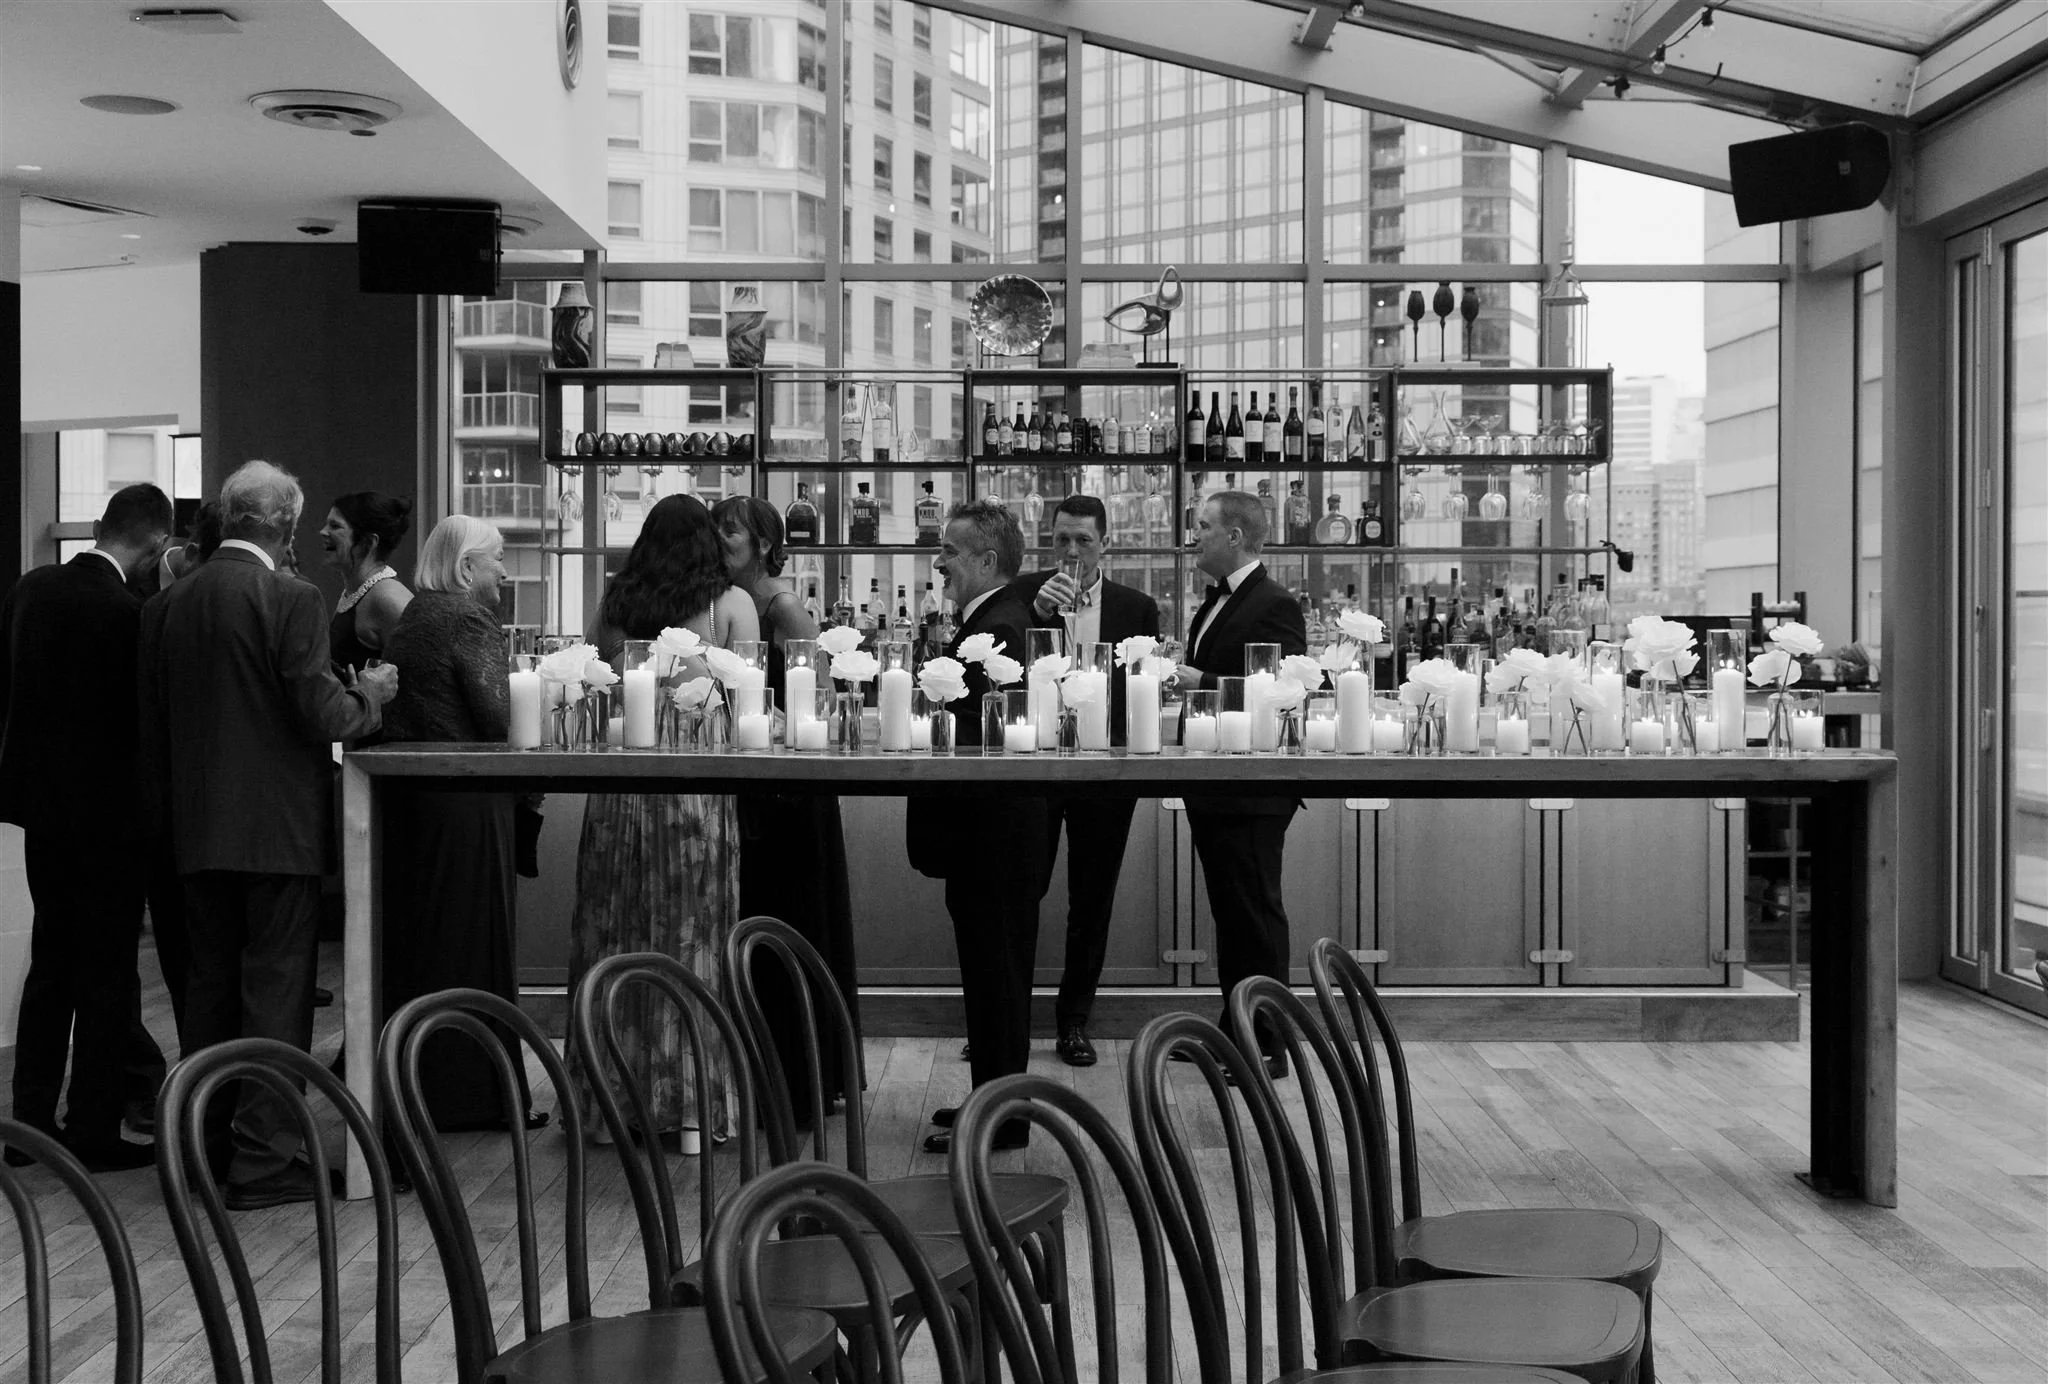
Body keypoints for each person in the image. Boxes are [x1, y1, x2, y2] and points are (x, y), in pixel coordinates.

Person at [138, 460, 397, 1206]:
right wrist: (369, 695)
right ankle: (262, 1163)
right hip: (278, 829)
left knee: (206, 994)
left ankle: (201, 1150)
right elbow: (326, 717)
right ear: (283, 524)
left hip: (194, 830)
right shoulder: (292, 598)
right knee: (277, 994)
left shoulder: (166, 607)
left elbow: (151, 732)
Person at [569, 494, 758, 1144]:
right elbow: (747, 704)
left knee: (615, 936)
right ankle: (691, 1113)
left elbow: (596, 689)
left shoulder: (617, 605)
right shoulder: (731, 607)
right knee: (692, 941)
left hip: (623, 790)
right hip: (696, 792)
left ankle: (608, 1106)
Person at [0, 484, 175, 1171]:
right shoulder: (127, 613)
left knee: (50, 963)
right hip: (108, 818)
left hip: (41, 811)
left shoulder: (29, 590)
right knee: (105, 975)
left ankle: (30, 1121)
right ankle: (94, 1128)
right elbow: (135, 724)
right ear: (156, 542)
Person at [378, 515, 541, 1132]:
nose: (503, 569)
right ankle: (480, 1097)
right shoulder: (468, 619)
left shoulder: (417, 614)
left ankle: (425, 1089)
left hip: (416, 805)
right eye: (496, 558)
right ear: (467, 567)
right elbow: (499, 715)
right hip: (469, 807)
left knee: (427, 951)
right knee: (475, 951)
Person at [712, 496, 860, 1117]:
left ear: (767, 544)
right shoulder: (725, 606)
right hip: (752, 784)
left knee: (797, 924)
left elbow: (818, 700)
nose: (721, 539)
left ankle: (806, 1080)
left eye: (733, 531)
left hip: (792, 792)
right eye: (716, 528)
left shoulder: (784, 608)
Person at [911, 500, 1051, 1154]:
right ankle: (993, 1097)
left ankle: (1003, 1118)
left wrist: (921, 714)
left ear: (988, 560)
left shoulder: (998, 628)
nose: (940, 561)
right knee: (990, 973)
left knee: (997, 975)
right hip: (990, 835)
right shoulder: (990, 620)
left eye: (952, 550)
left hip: (994, 834)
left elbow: (989, 732)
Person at [1011, 494, 1161, 1068]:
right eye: (1061, 541)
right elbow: (1007, 672)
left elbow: (1140, 690)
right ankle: (1009, 1020)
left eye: (1083, 541)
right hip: (1038, 765)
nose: (1071, 552)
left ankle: (1074, 1021)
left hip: (1105, 767)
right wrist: (1040, 618)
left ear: (1106, 546)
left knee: (1091, 899)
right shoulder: (1024, 596)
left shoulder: (1136, 607)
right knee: (1022, 891)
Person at [1173, 491, 1307, 1079]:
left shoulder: (1274, 603)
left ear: (1233, 535)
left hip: (1254, 783)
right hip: (1216, 777)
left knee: (1254, 913)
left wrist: (1199, 678)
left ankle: (1268, 1046)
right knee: (1232, 914)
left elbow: (1282, 688)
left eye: (1202, 526)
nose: (1193, 535)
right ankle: (1236, 1032)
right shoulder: (1214, 603)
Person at [321, 492, 414, 676]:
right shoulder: (356, 590)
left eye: (335, 526)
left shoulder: (387, 598)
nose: (323, 532)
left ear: (369, 542)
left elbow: (416, 674)